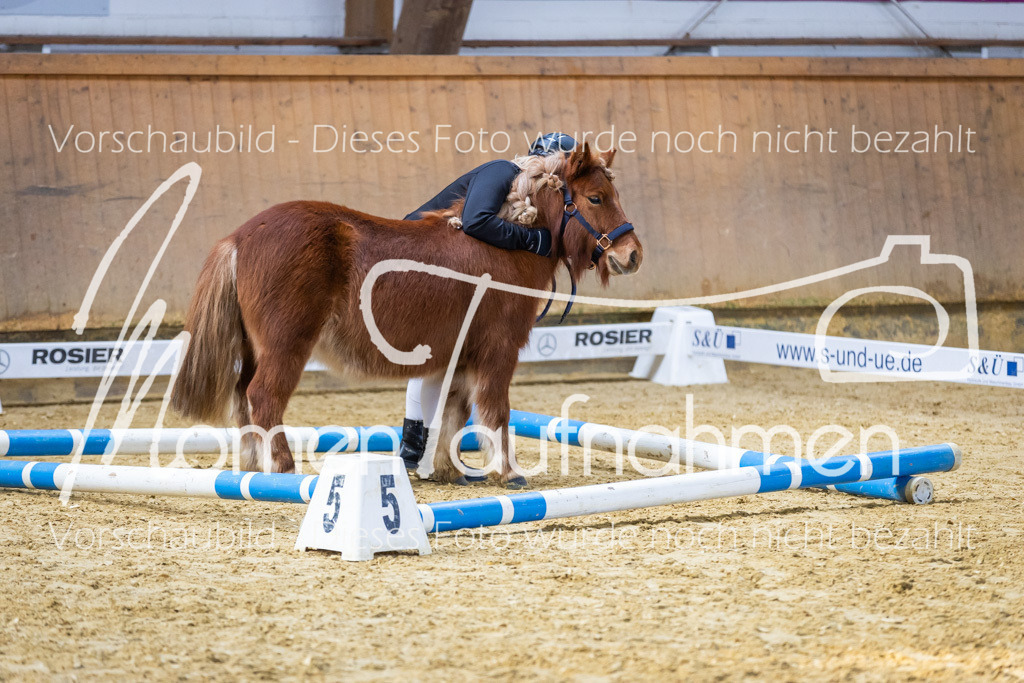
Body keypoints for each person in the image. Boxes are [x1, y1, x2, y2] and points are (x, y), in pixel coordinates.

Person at [399, 132, 578, 477]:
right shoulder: (502, 171)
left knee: (441, 361)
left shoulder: (523, 190)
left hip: (443, 262)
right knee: (432, 359)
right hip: (421, 257)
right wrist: (535, 241)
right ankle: (412, 449)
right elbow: (477, 220)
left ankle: (419, 452)